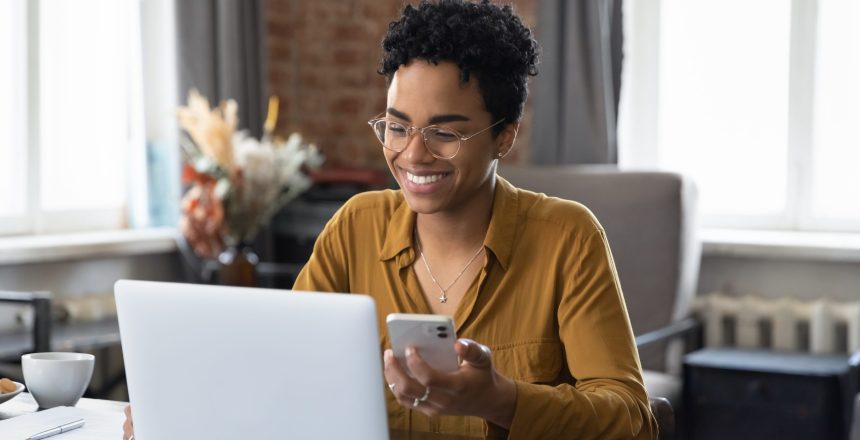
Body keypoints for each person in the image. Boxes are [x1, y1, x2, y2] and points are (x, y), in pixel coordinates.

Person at [125, 1, 658, 438]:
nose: (413, 155)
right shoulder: (356, 226)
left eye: (445, 133)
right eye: (397, 127)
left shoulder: (567, 238)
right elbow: (280, 367)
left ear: (505, 134)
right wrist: (181, 409)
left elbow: (631, 415)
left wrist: (502, 399)